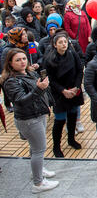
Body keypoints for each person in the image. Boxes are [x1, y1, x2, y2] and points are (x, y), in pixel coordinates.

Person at [2, 48, 59, 193]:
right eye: (18, 60)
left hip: (38, 114)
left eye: (24, 58)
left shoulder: (29, 73)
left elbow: (41, 92)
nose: (22, 62)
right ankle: (38, 183)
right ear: (10, 63)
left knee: (35, 148)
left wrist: (47, 101)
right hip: (28, 118)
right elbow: (20, 101)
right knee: (39, 149)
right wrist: (39, 89)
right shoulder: (11, 81)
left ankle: (38, 171)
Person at [44, 33, 84, 158]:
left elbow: (79, 70)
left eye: (65, 42)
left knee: (72, 116)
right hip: (60, 93)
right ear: (55, 45)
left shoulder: (72, 54)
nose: (63, 44)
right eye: (60, 42)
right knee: (60, 120)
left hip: (73, 90)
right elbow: (50, 79)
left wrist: (76, 87)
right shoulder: (50, 59)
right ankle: (56, 146)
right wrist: (63, 91)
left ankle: (71, 139)